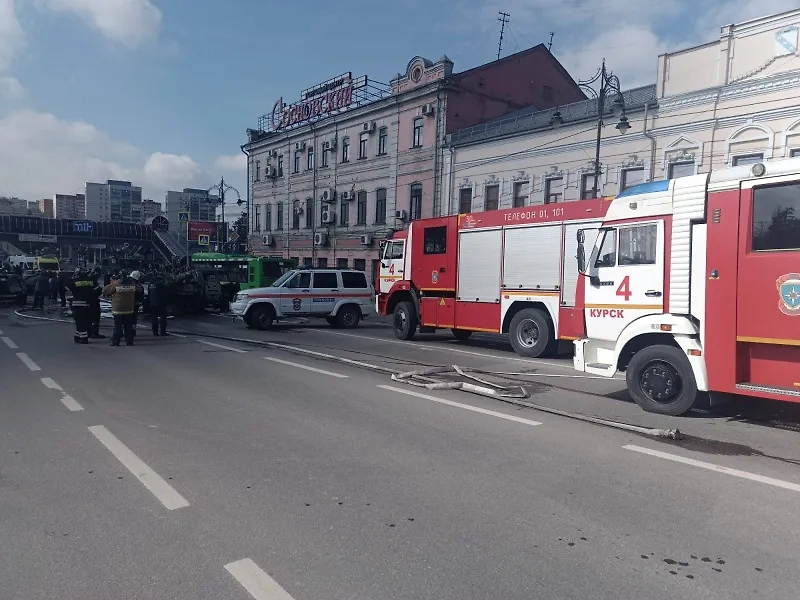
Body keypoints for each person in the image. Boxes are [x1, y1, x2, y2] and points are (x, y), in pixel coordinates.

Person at [102, 270, 137, 346]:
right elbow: (139, 290)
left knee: (118, 326)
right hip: (129, 309)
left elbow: (105, 290)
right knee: (128, 327)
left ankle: (116, 342)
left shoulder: (116, 284)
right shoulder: (133, 284)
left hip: (118, 309)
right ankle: (129, 342)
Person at [68, 268, 97, 344]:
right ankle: (77, 336)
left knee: (80, 322)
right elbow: (97, 290)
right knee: (85, 321)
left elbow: (68, 287)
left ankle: (84, 339)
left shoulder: (75, 281)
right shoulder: (90, 281)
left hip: (78, 304)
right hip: (88, 304)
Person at [148, 270, 169, 336]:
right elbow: (167, 288)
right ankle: (163, 332)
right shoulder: (160, 283)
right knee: (163, 317)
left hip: (152, 303)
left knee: (154, 318)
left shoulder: (150, 283)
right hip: (161, 303)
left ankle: (155, 332)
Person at [88, 267, 105, 339]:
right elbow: (96, 291)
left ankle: (89, 332)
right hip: (93, 302)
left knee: (89, 318)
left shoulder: (87, 279)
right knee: (95, 318)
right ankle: (94, 333)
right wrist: (101, 290)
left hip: (88, 302)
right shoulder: (93, 281)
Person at [129, 270, 145, 338]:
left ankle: (130, 331)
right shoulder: (136, 285)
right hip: (134, 304)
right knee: (133, 319)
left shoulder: (129, 282)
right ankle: (132, 332)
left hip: (129, 304)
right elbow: (140, 292)